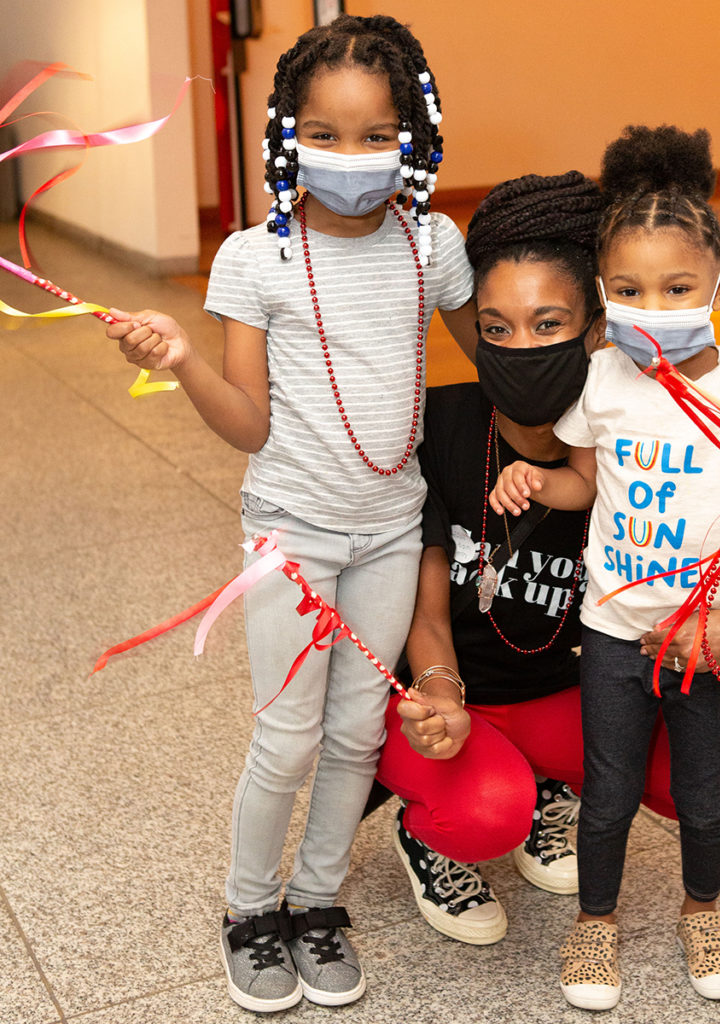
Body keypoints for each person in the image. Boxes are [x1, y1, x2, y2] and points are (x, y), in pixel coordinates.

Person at [106, 15, 477, 1014]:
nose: (348, 157)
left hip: (393, 530)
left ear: (413, 136)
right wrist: (180, 360)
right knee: (286, 735)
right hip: (292, 535)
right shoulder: (252, 259)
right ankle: (247, 910)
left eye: (372, 134)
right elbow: (245, 423)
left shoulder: (431, 246)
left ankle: (316, 902)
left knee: (357, 734)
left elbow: (504, 356)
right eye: (322, 132)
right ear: (285, 135)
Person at [374, 171, 720, 952]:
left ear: (600, 325)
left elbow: (707, 582)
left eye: (549, 323)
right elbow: (424, 617)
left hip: (571, 694)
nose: (520, 349)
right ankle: (432, 828)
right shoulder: (439, 427)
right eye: (495, 329)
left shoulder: (629, 448)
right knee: (483, 814)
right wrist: (439, 695)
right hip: (448, 696)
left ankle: (549, 789)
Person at [490, 127, 720, 1010]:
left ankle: (703, 911)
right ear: (606, 296)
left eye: (677, 288)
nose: (656, 304)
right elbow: (581, 479)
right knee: (607, 791)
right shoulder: (604, 378)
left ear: (717, 287)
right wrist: (537, 479)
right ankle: (595, 925)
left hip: (710, 635)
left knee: (705, 791)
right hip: (616, 631)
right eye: (632, 290)